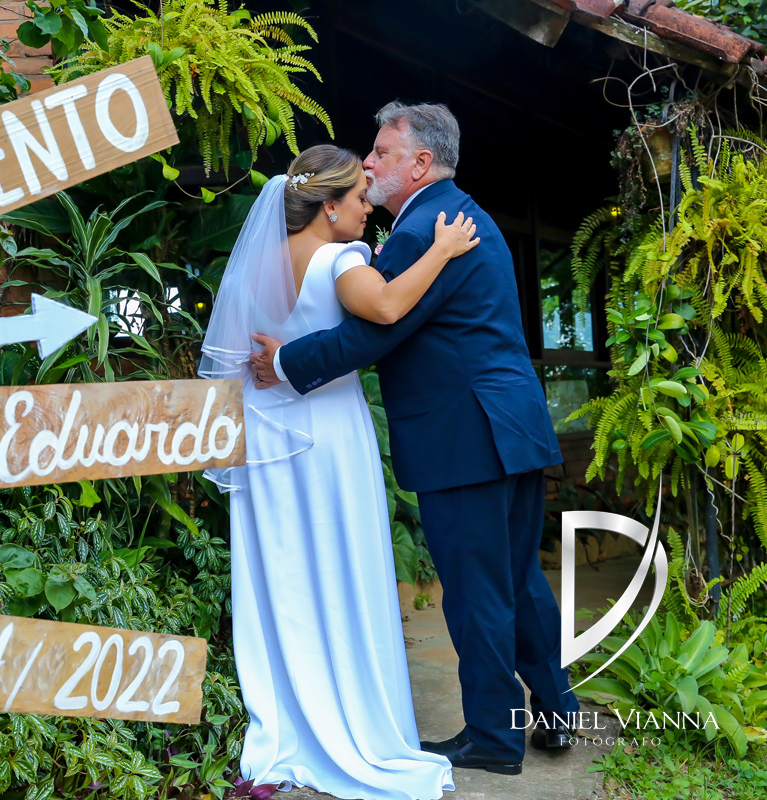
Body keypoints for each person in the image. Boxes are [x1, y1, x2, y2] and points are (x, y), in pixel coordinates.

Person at [248, 102, 580, 776]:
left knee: (477, 592)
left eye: (382, 153)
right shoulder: (464, 215)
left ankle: (494, 737)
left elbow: (374, 331)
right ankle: (555, 714)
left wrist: (286, 362)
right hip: (510, 426)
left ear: (421, 163)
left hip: (465, 440)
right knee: (518, 581)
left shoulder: (425, 229)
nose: (369, 164)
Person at [199, 143, 478, 800]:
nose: (367, 207)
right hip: (325, 437)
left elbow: (238, 360)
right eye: (357, 198)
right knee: (343, 567)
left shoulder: (257, 265)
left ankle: (293, 715)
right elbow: (385, 309)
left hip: (265, 441)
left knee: (284, 575)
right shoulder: (338, 259)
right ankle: (351, 715)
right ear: (327, 207)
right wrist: (441, 251)